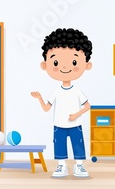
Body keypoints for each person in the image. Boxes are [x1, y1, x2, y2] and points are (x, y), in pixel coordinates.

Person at [31, 28, 93, 178]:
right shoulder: (56, 91)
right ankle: (61, 166)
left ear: (86, 65)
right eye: (56, 62)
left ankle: (79, 166)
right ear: (45, 65)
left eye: (74, 61)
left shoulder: (77, 91)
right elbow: (47, 108)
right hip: (58, 124)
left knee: (77, 145)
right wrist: (40, 97)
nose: (65, 67)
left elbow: (88, 106)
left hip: (75, 124)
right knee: (59, 146)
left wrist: (76, 115)